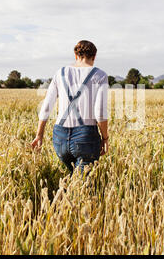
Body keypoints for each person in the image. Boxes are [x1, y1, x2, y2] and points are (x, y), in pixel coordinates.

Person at [31, 40, 109, 174]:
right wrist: (105, 138)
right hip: (86, 137)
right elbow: (100, 112)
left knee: (74, 178)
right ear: (94, 57)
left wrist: (39, 135)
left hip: (59, 137)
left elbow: (45, 107)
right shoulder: (99, 75)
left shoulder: (60, 73)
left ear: (75, 55)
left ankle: (63, 194)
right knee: (81, 185)